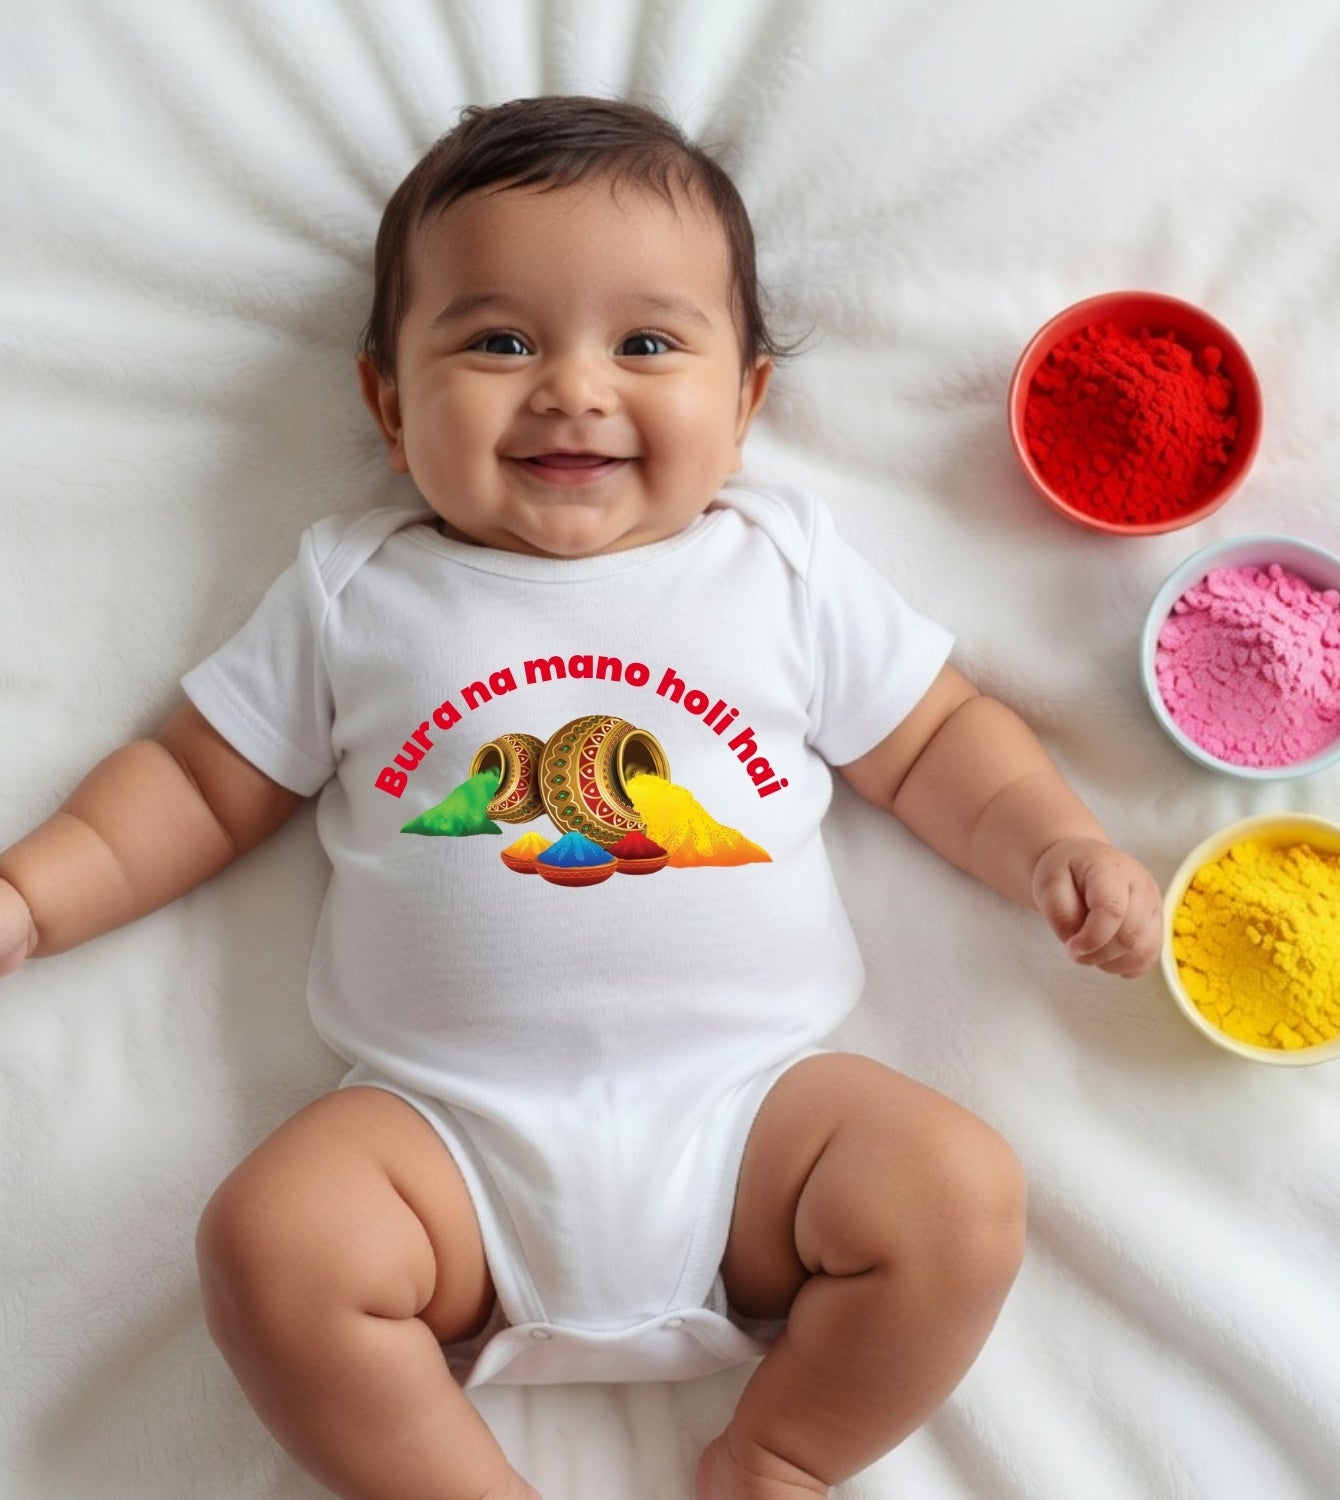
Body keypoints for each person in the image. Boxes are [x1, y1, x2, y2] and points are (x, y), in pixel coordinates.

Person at [0, 97, 1162, 1500]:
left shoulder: (780, 570)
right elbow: (197, 780)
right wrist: (33, 893)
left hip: (755, 1129)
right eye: (498, 340)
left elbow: (932, 745)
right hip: (443, 1147)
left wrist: (1056, 841)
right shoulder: (354, 591)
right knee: (269, 1244)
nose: (572, 387)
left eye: (648, 344)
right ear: (385, 402)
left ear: (745, 407)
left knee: (961, 1195)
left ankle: (785, 1455)